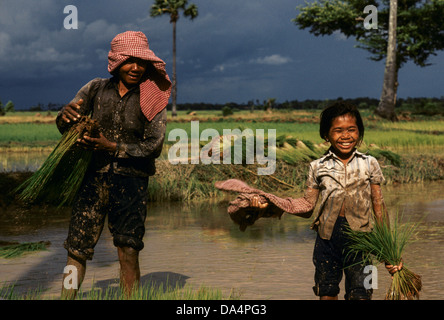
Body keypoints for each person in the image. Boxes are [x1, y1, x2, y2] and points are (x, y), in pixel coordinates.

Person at [216, 101, 394, 300]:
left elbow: (379, 206)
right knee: (326, 293)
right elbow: (308, 206)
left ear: (359, 133)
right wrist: (272, 204)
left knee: (362, 295)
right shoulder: (317, 167)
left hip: (362, 240)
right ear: (326, 135)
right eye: (338, 131)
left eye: (351, 130)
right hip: (327, 239)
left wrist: (389, 249)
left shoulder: (369, 163)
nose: (345, 136)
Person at [57, 31, 171, 299]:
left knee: (128, 249)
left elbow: (153, 146)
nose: (136, 67)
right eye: (129, 61)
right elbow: (66, 125)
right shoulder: (95, 89)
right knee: (76, 249)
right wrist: (64, 117)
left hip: (131, 181)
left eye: (141, 62)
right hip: (92, 179)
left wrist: (113, 147)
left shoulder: (151, 96)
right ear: (116, 61)